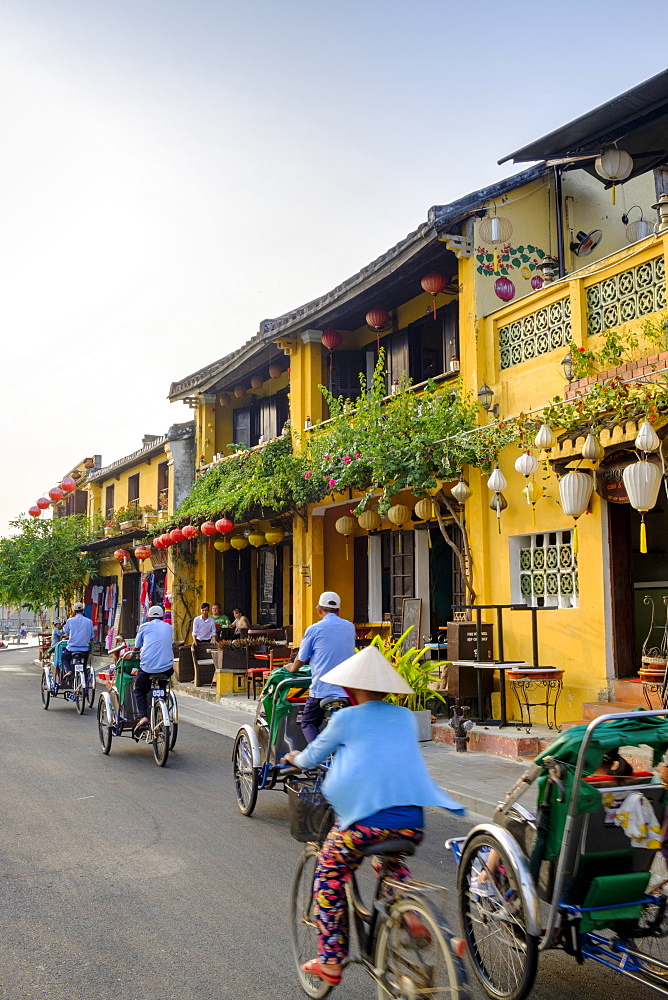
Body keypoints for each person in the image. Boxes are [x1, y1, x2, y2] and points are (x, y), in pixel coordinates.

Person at [283, 645, 464, 985]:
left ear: (350, 690)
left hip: (363, 822)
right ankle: (408, 908)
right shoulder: (404, 718)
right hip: (410, 820)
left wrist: (293, 758)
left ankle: (332, 960)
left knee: (329, 876)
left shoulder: (345, 718)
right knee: (390, 861)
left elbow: (310, 759)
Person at [286, 591, 355, 743]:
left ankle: (318, 758)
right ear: (339, 611)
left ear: (318, 610)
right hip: (346, 691)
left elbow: (301, 658)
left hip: (321, 691)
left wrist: (292, 668)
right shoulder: (350, 627)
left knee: (308, 722)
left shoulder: (314, 629)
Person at [132, 605, 174, 737]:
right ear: (162, 617)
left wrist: (133, 654)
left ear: (148, 617)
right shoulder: (169, 627)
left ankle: (143, 717)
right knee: (163, 682)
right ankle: (161, 707)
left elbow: (137, 646)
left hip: (148, 668)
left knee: (139, 690)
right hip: (166, 668)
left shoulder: (144, 627)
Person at [61, 603, 94, 681]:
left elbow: (66, 632)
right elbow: (92, 636)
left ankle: (69, 670)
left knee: (64, 658)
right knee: (84, 666)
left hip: (71, 648)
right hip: (84, 649)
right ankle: (85, 688)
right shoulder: (89, 621)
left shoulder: (70, 620)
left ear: (74, 611)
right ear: (83, 611)